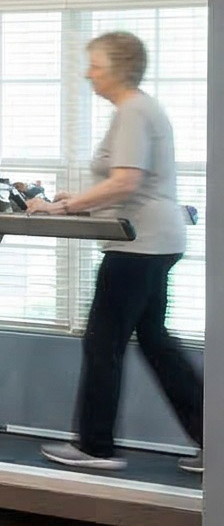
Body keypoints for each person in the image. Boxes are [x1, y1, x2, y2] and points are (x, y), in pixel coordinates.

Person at [29, 31, 202, 474]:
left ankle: (95, 447)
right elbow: (130, 186)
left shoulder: (132, 111)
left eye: (96, 65)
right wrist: (78, 202)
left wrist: (62, 207)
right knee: (156, 342)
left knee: (103, 342)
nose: (89, 73)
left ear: (120, 68)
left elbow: (126, 181)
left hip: (140, 244)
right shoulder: (139, 108)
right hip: (155, 238)